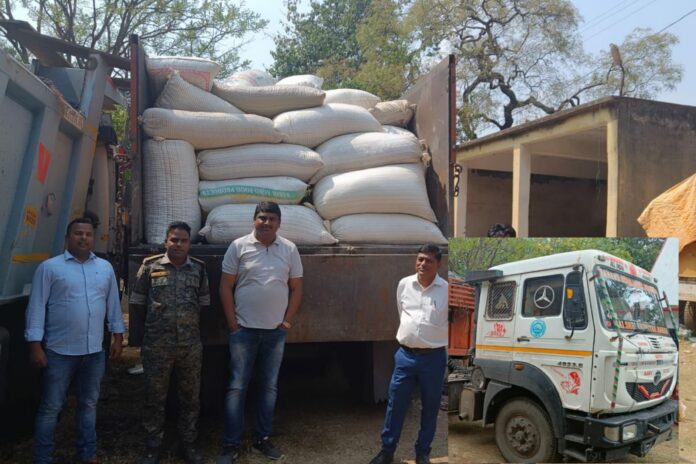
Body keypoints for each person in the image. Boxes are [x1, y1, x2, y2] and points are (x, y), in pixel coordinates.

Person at [25, 217, 125, 464]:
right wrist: (35, 346)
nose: (84, 238)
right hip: (60, 352)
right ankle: (42, 457)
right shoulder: (50, 268)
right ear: (68, 238)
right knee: (51, 408)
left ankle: (87, 453)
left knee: (89, 405)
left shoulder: (104, 268)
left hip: (93, 352)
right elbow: (36, 307)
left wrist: (118, 337)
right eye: (78, 234)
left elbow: (113, 305)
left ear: (93, 238)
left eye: (88, 234)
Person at [217, 202, 303, 463]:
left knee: (268, 388)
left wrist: (286, 323)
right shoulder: (238, 246)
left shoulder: (289, 249)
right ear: (253, 219)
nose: (266, 223)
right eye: (262, 218)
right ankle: (230, 445)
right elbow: (225, 287)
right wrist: (233, 325)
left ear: (279, 223)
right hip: (244, 331)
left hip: (275, 333)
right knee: (237, 388)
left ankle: (262, 440)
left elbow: (297, 288)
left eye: (272, 219)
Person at [129, 221, 210, 464]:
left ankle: (188, 444)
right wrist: (147, 335)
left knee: (190, 399)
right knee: (154, 399)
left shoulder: (198, 269)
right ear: (166, 241)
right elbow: (137, 303)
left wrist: (192, 333)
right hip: (157, 347)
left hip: (189, 347)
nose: (178, 244)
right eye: (174, 239)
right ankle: (153, 447)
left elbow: (204, 306)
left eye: (183, 240)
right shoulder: (150, 266)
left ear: (189, 244)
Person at [369, 244, 448, 464]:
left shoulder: (446, 290)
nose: (423, 264)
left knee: (430, 407)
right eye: (420, 259)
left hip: (433, 358)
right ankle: (387, 450)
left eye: (429, 261)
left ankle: (423, 452)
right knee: (396, 404)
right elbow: (401, 313)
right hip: (405, 356)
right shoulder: (404, 284)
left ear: (438, 264)